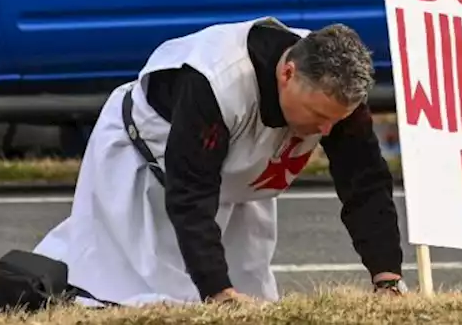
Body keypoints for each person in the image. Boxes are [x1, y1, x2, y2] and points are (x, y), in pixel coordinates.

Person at [32, 17, 405, 305]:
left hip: (237, 181)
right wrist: (217, 291)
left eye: (334, 121)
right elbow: (191, 195)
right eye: (316, 115)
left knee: (252, 297)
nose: (325, 131)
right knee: (133, 293)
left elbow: (365, 183)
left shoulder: (334, 96)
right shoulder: (215, 81)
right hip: (150, 163)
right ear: (287, 74)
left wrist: (386, 276)